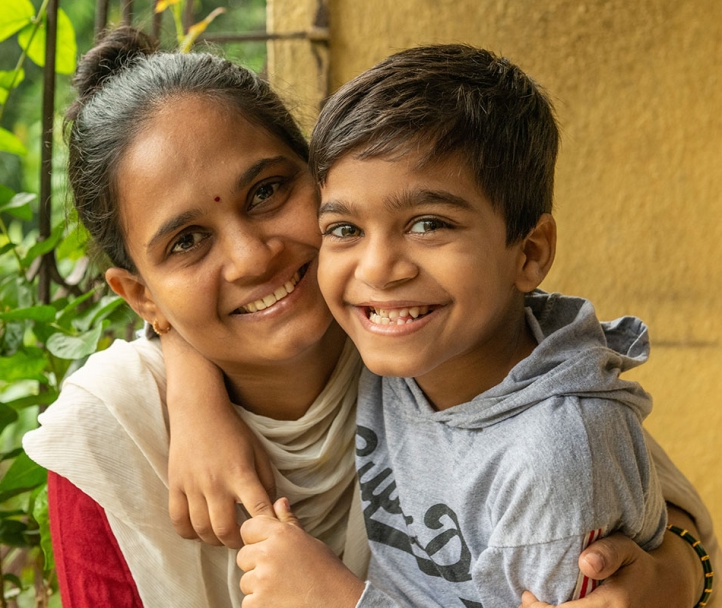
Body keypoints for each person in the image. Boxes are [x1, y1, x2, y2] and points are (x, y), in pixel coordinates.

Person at [21, 27, 718, 608]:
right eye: (186, 241)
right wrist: (189, 387)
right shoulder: (117, 432)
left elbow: (640, 495)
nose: (251, 258)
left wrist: (672, 578)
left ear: (324, 177)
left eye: (267, 191)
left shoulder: (414, 340)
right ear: (141, 294)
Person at [235, 44, 718, 608]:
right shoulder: (398, 337)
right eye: (344, 228)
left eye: (428, 223)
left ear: (530, 253)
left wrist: (339, 600)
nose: (377, 270)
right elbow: (222, 317)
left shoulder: (551, 462)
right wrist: (199, 409)